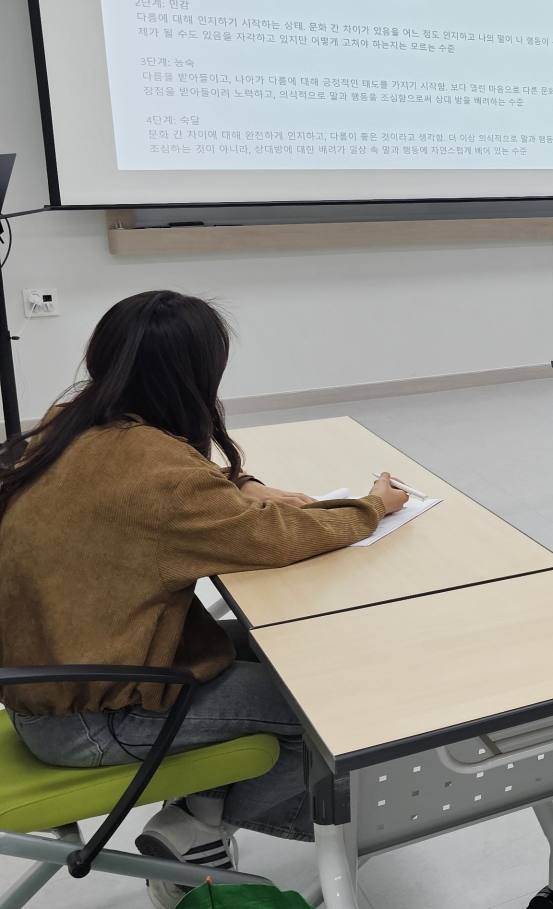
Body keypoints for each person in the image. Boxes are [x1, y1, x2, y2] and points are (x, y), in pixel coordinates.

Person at [0, 291, 408, 909]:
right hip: (92, 718)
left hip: (51, 682)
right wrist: (373, 505)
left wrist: (242, 483)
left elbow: (167, 483)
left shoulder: (71, 421)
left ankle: (193, 825)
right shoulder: (157, 478)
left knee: (290, 647)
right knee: (317, 706)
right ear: (194, 373)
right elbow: (277, 539)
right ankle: (199, 833)